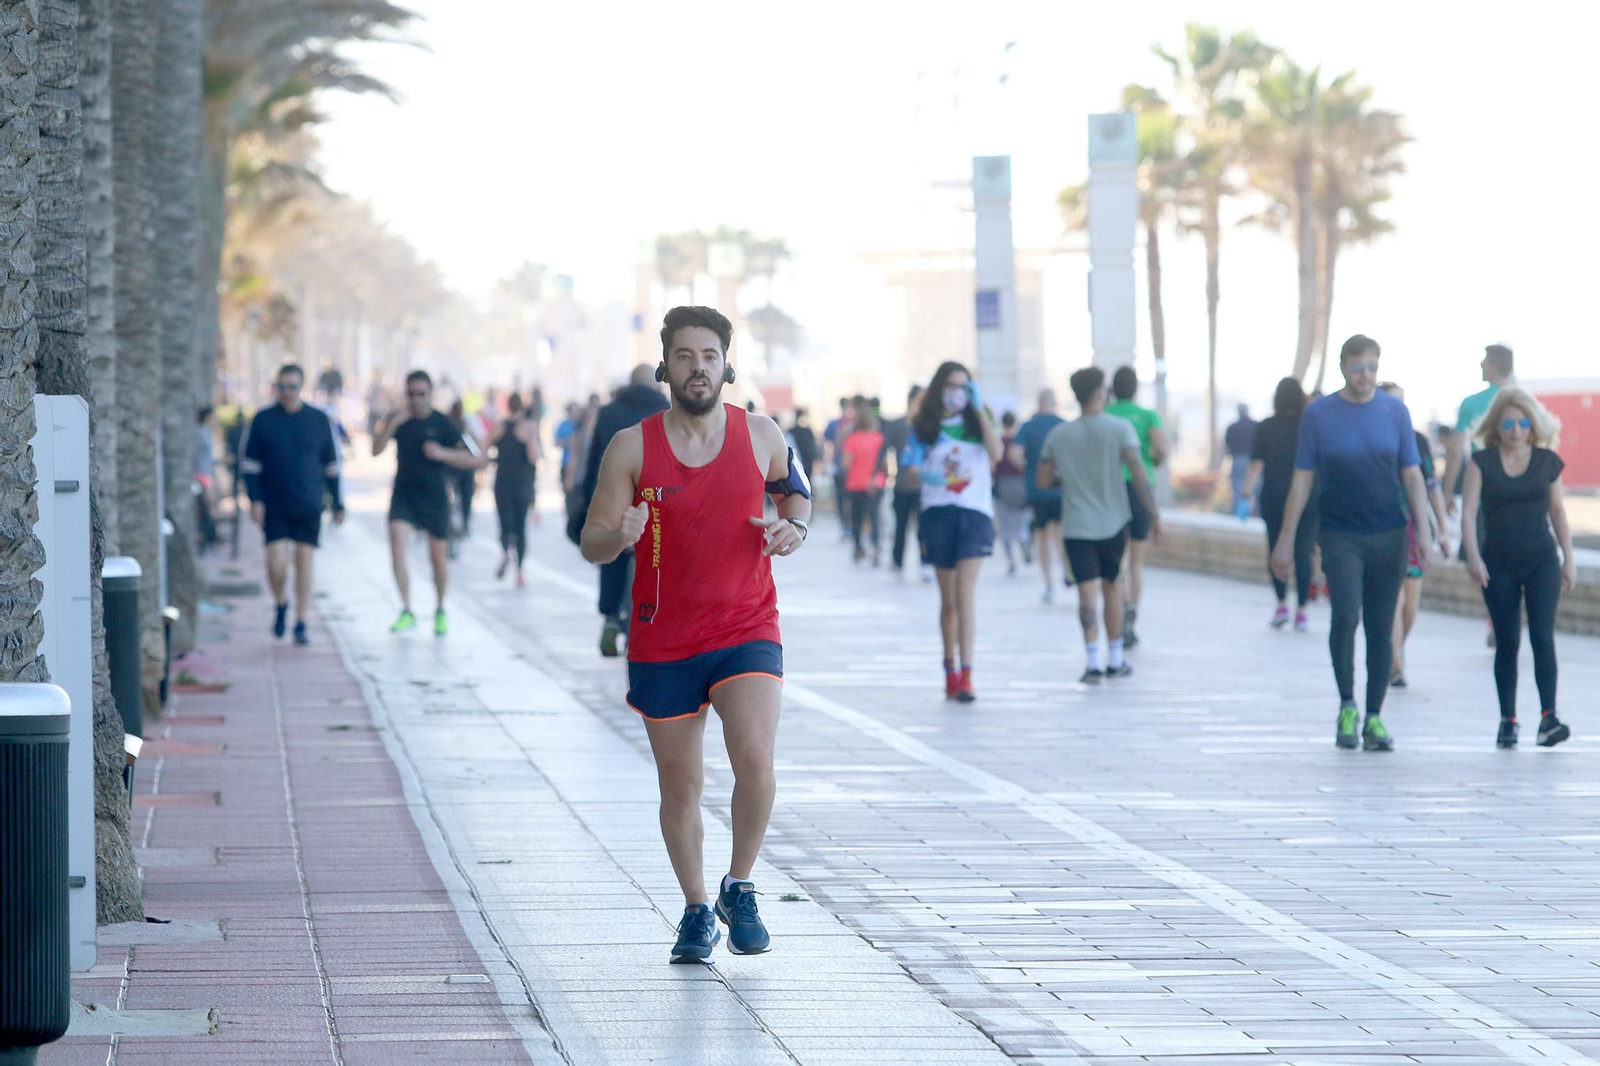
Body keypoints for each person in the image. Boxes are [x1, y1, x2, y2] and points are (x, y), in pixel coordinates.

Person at [581, 305, 810, 964]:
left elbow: (798, 496)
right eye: (685, 356)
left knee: (756, 761)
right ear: (666, 367)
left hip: (746, 625)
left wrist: (794, 527)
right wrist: (615, 537)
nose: (698, 368)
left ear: (726, 365)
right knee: (680, 789)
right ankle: (692, 910)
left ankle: (739, 886)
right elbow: (593, 541)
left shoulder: (761, 434)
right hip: (663, 636)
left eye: (709, 355)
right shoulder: (631, 447)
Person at [1271, 335, 1433, 752]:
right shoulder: (1320, 415)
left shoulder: (1395, 412)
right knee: (1345, 616)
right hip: (1340, 533)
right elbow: (1302, 479)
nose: (1366, 376)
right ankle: (1347, 704)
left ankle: (1374, 717)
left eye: (1373, 367)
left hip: (1390, 533)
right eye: (1359, 366)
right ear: (1344, 367)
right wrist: (1285, 541)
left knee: (1381, 627)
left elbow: (1412, 476)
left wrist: (1427, 533)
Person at [1461, 387, 1575, 748]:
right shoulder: (1482, 463)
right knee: (1507, 641)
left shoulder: (1546, 460)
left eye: (1523, 422)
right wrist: (1474, 558)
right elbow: (1468, 513)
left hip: (1542, 560)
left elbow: (1558, 511)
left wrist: (1568, 559)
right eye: (1508, 423)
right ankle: (1508, 719)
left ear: (1532, 425)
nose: (1516, 430)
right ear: (1497, 426)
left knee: (1542, 636)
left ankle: (1549, 717)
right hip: (1498, 563)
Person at [1037, 367, 1160, 683]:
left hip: (1076, 525)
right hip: (1113, 522)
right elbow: (1139, 473)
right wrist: (1155, 515)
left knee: (1086, 594)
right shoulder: (1119, 430)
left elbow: (1042, 479)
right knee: (1113, 589)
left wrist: (1070, 475)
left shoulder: (1060, 436)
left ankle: (1092, 662)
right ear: (1100, 393)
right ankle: (1116, 658)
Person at [902, 361, 1002, 701]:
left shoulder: (977, 420)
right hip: (939, 513)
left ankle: (968, 673)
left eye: (963, 386)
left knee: (965, 595)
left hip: (974, 514)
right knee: (949, 601)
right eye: (951, 385)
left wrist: (979, 409)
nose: (956, 392)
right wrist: (923, 476)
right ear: (938, 387)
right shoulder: (924, 425)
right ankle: (950, 670)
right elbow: (910, 470)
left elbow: (997, 452)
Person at [372, 370, 487, 636]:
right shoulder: (398, 419)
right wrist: (391, 424)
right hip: (403, 494)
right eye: (410, 394)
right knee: (397, 546)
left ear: (430, 394)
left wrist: (442, 453)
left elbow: (475, 459)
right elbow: (375, 450)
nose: (415, 399)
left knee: (437, 558)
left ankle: (439, 608)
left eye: (421, 394)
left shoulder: (444, 423)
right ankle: (406, 609)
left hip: (435, 497)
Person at [238, 364, 345, 646]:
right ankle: (281, 603)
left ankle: (301, 620)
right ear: (277, 388)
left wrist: (338, 503)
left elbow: (333, 465)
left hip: (309, 504)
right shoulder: (262, 420)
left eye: (293, 387)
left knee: (304, 562)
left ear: (302, 387)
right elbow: (249, 465)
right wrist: (255, 499)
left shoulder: (319, 420)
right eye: (283, 387)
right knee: (277, 563)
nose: (288, 392)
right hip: (274, 504)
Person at [572, 364, 669, 657]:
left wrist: (587, 499)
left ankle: (611, 621)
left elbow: (593, 462)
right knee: (654, 562)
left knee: (612, 555)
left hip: (614, 497)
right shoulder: (667, 409)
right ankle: (647, 621)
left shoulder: (609, 412)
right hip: (656, 501)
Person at [1378, 382, 1449, 688]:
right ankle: (1394, 665)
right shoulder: (1373, 438)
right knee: (1394, 599)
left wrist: (1442, 529)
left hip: (1416, 531)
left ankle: (1396, 648)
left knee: (1411, 604)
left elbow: (1431, 485)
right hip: (1383, 528)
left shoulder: (1417, 440)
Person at [1245, 378, 1318, 631]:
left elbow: (1256, 464)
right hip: (1307, 498)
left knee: (1275, 548)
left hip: (1274, 496)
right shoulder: (1308, 426)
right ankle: (1302, 610)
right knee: (1303, 551)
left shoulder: (1266, 426)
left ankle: (1281, 604)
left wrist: (1246, 491)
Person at [1105, 366, 1168, 647]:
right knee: (1136, 563)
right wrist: (1153, 461)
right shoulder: (1148, 415)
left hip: (1112, 490)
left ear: (1113, 389)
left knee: (1115, 562)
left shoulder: (1105, 416)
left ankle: (1118, 609)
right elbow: (1162, 449)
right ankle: (1132, 610)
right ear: (1135, 389)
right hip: (1142, 490)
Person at [1014, 389, 1068, 603]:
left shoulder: (1028, 427)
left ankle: (1049, 584)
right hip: (1061, 489)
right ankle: (1068, 571)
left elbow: (1015, 455)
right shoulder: (1064, 425)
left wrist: (1029, 469)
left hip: (1037, 489)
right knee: (1061, 535)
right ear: (1054, 402)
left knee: (1042, 537)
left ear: (1038, 403)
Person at [492, 392, 541, 587]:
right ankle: (520, 572)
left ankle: (505, 552)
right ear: (521, 407)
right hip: (523, 484)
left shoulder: (499, 426)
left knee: (504, 524)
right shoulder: (529, 427)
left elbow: (483, 447)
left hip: (502, 482)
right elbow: (533, 457)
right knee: (521, 528)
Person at [883, 385, 930, 581]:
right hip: (903, 484)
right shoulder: (897, 425)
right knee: (901, 525)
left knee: (923, 527)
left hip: (924, 486)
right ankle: (897, 561)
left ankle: (925, 561)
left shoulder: (929, 425)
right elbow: (885, 451)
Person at [840, 409, 885, 565]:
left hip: (855, 484)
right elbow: (884, 463)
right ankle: (876, 547)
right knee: (873, 517)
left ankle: (858, 547)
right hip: (875, 483)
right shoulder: (879, 439)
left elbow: (846, 463)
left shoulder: (851, 439)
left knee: (856, 518)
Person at [992, 411, 1030, 576]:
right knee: (1022, 518)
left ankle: (1011, 561)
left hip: (1002, 485)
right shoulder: (1019, 441)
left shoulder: (997, 442)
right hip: (1020, 484)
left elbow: (992, 466)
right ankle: (1023, 536)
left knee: (1005, 524)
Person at [446, 398, 482, 539]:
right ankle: (465, 522)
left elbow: (474, 450)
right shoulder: (462, 427)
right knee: (466, 497)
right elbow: (475, 451)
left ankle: (464, 522)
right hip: (459, 470)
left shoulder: (455, 426)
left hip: (455, 470)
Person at [823, 397, 856, 539]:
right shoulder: (853, 423)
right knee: (847, 499)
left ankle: (846, 526)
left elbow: (828, 446)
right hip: (849, 467)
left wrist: (827, 464)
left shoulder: (834, 424)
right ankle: (848, 526)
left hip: (840, 466)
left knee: (842, 499)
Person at [1224, 403, 1258, 513]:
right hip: (1254, 461)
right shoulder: (1256, 425)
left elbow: (1227, 444)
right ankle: (1257, 513)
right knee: (1257, 487)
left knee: (1238, 488)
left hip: (1238, 460)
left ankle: (1238, 514)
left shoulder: (1232, 427)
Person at [194, 406, 219, 553]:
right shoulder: (199, 433)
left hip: (207, 474)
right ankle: (209, 539)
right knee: (206, 509)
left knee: (209, 508)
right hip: (201, 474)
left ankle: (211, 538)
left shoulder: (207, 432)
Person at [788, 409, 819, 486]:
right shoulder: (808, 431)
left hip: (797, 461)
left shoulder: (791, 431)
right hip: (805, 460)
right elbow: (813, 446)